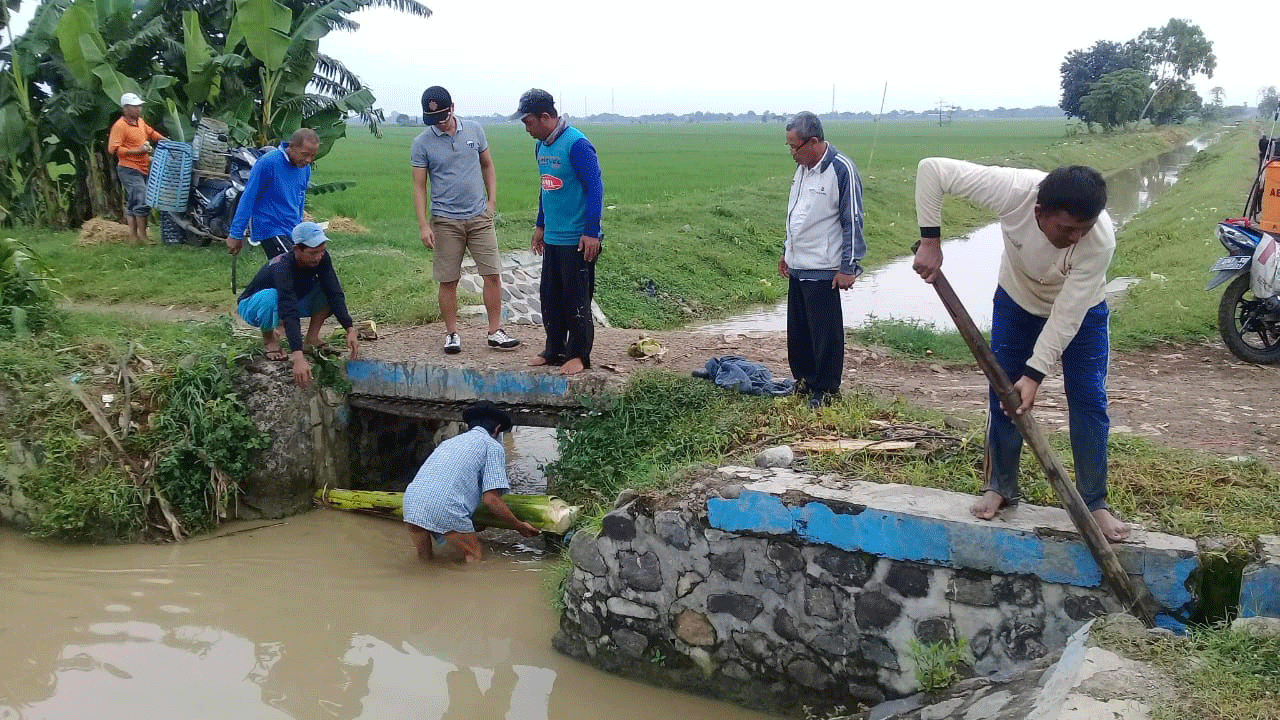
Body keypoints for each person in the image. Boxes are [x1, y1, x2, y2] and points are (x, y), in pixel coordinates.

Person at [911, 158, 1129, 542]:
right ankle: (1001, 487)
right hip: (1016, 300)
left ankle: (1095, 502)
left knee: (1089, 399)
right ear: (1039, 212)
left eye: (1085, 228)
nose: (1076, 238)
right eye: (1067, 229)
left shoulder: (1099, 242)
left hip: (1082, 312)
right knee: (1004, 396)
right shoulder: (1013, 190)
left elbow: (1066, 314)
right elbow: (932, 171)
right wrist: (931, 240)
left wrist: (1035, 374)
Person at [411, 86, 520, 355]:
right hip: (446, 220)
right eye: (433, 118)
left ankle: (495, 332)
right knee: (448, 280)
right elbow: (419, 186)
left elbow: (487, 165)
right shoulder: (421, 143)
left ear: (453, 108)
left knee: (492, 274)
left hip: (479, 216)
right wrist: (424, 225)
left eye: (443, 116)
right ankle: (451, 334)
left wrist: (491, 202)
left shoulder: (474, 130)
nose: (439, 122)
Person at [512, 89, 604, 375]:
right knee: (550, 296)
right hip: (552, 236)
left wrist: (591, 233)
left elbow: (595, 188)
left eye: (529, 122)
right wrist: (540, 225)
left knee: (576, 299)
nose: (526, 128)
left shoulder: (577, 144)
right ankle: (553, 349)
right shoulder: (541, 146)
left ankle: (578, 354)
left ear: (546, 117)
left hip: (577, 239)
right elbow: (546, 187)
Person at [779, 112, 865, 409]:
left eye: (795, 146)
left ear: (813, 141)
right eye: (789, 146)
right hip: (799, 263)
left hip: (824, 267)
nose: (792, 153)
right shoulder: (803, 169)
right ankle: (804, 382)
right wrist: (786, 251)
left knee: (824, 333)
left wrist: (848, 267)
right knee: (799, 331)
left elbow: (852, 220)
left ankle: (826, 390)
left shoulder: (841, 169)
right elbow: (798, 214)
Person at [402, 401, 539, 563]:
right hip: (445, 508)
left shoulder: (449, 442)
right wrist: (519, 525)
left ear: (470, 426)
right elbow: (491, 499)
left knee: (425, 563)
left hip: (412, 503)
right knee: (474, 556)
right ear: (496, 430)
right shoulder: (492, 447)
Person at [236, 221, 360, 387]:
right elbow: (289, 309)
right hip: (254, 305)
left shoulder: (322, 259)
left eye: (322, 251)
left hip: (288, 302)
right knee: (270, 296)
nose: (318, 256)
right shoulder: (282, 267)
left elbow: (334, 291)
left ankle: (312, 338)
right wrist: (298, 357)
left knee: (327, 294)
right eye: (313, 252)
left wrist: (350, 329)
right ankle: (269, 341)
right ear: (297, 249)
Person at [226, 128, 321, 260]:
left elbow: (300, 198)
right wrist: (236, 234)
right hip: (270, 227)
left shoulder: (305, 169)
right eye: (305, 154)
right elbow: (248, 198)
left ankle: (264, 281)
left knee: (288, 269)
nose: (309, 160)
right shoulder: (268, 163)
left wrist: (299, 227)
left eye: (313, 155)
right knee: (292, 264)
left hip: (291, 228)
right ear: (292, 147)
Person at [106, 93, 166, 245]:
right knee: (142, 198)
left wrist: (166, 141)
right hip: (129, 168)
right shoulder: (120, 126)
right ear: (126, 108)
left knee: (133, 202)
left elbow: (151, 133)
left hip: (143, 168)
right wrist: (137, 152)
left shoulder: (140, 122)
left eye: (139, 106)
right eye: (135, 106)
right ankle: (143, 237)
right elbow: (113, 149)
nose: (139, 109)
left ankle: (134, 238)